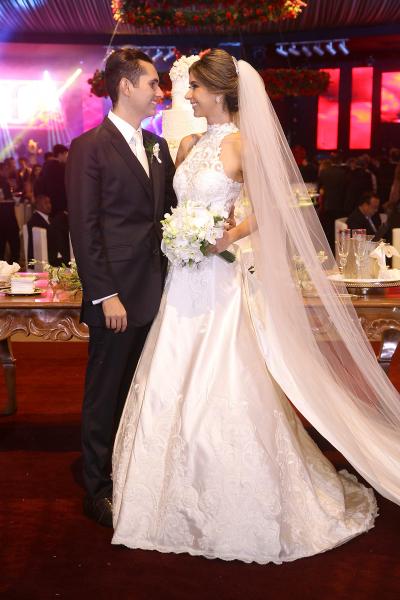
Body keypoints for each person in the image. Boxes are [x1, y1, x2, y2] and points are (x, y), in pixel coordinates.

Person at [112, 50, 400, 564]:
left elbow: (273, 208)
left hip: (220, 283)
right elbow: (176, 207)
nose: (187, 96)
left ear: (218, 92)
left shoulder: (242, 145)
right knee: (170, 375)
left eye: (195, 88)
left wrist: (227, 237)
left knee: (223, 375)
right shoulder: (188, 144)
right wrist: (181, 236)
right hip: (182, 281)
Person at [66, 48, 176, 528]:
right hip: (115, 297)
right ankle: (97, 488)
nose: (159, 91)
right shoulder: (89, 147)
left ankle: (133, 473)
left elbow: (167, 217)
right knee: (105, 393)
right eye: (152, 83)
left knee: (140, 390)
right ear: (126, 86)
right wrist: (104, 294)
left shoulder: (158, 146)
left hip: (159, 291)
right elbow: (85, 229)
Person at [37, 144, 68, 216]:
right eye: (66, 154)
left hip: (47, 203)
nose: (67, 157)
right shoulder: (61, 167)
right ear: (60, 154)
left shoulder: (45, 166)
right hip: (59, 204)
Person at [0, 162, 20, 263]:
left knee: (3, 243)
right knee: (14, 241)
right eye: (7, 169)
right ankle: (13, 264)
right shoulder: (3, 182)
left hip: (6, 216)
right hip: (6, 216)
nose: (9, 171)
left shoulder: (6, 181)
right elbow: (5, 198)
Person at [26, 193, 51, 262]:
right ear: (38, 205)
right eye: (46, 203)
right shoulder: (35, 222)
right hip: (40, 258)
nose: (49, 205)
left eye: (49, 202)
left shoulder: (49, 219)